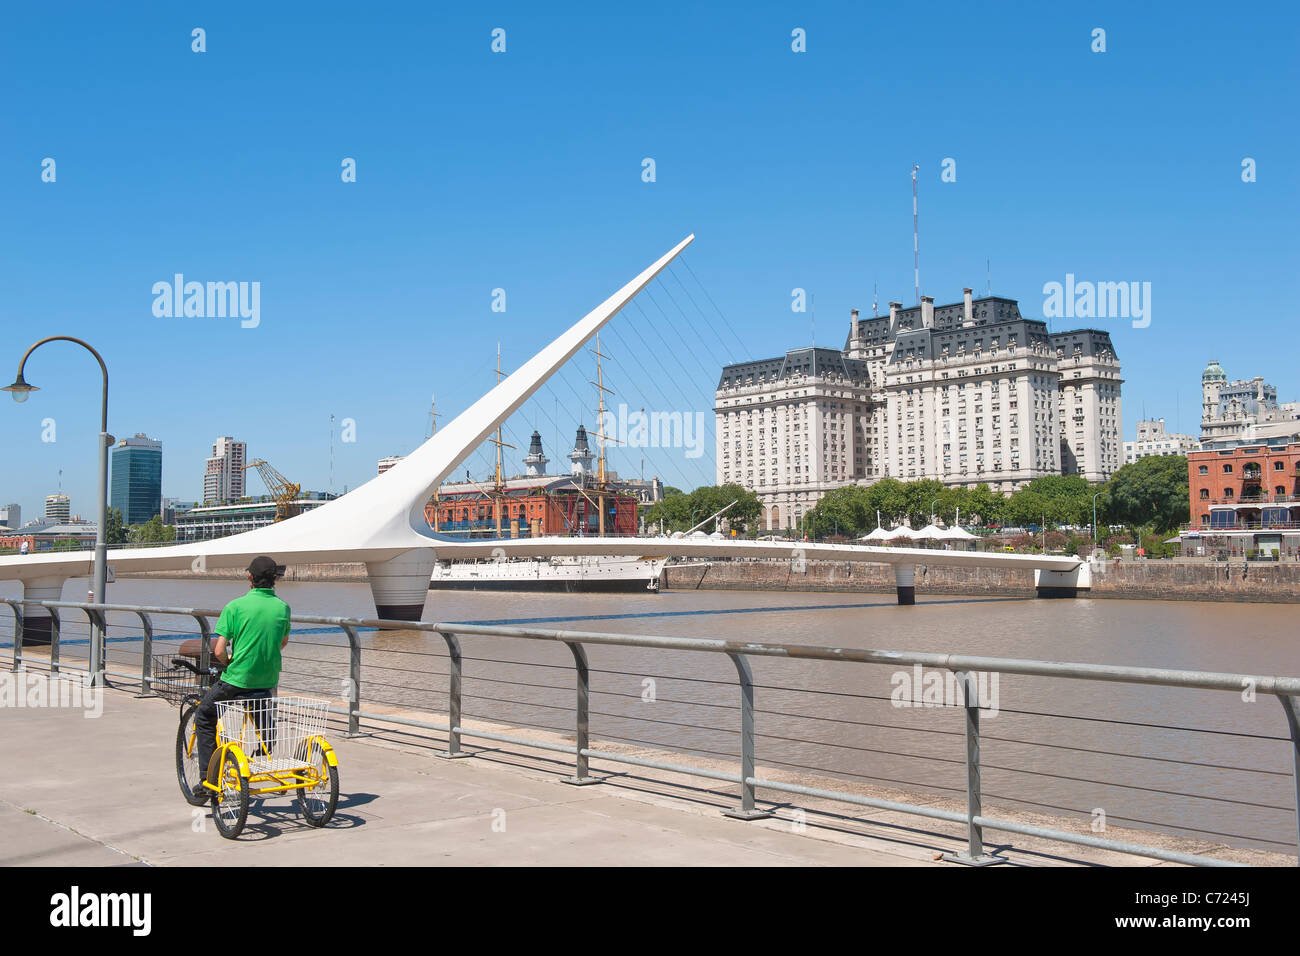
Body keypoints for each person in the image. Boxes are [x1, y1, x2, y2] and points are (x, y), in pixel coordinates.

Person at [192, 556, 291, 799]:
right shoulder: (283, 608)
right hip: (267, 679)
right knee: (258, 706)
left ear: (250, 578)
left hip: (237, 678)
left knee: (204, 714)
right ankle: (266, 744)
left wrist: (228, 665)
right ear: (274, 580)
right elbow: (282, 643)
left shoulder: (235, 607)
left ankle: (208, 779)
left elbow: (218, 650)